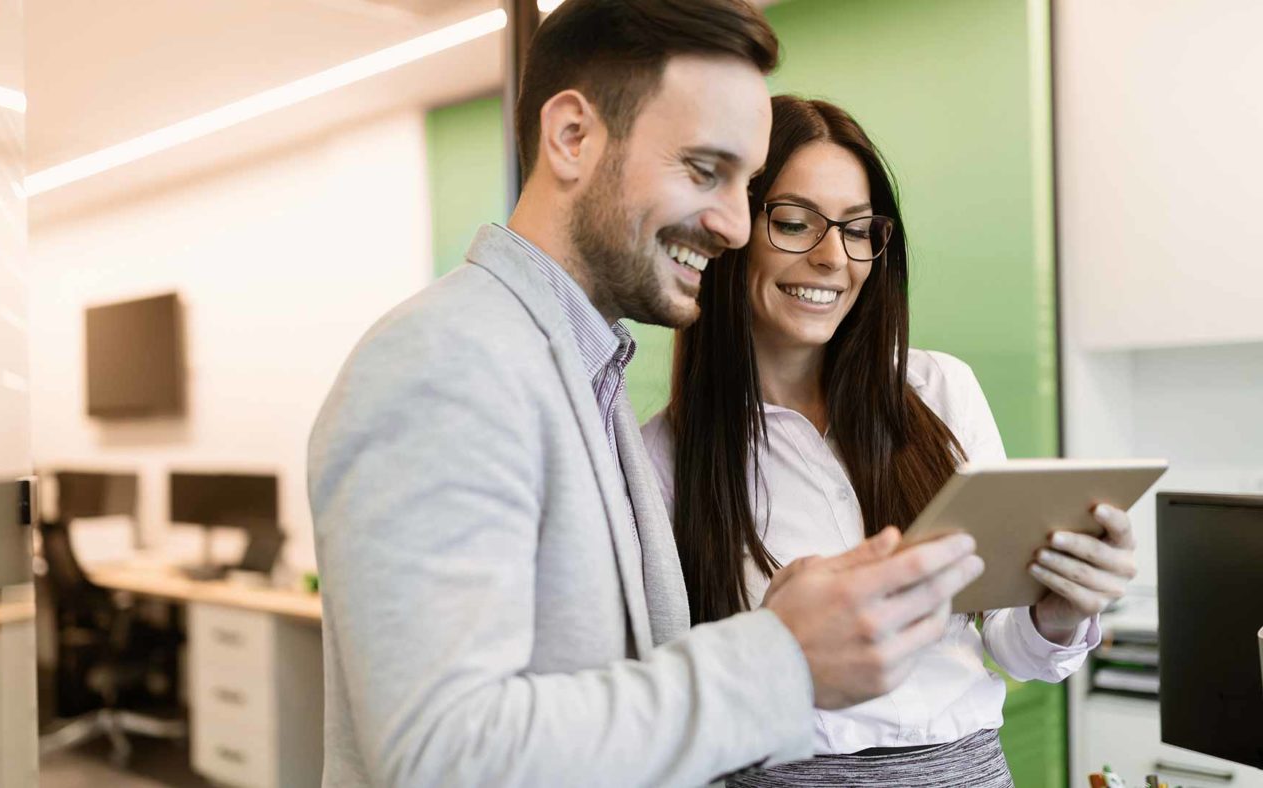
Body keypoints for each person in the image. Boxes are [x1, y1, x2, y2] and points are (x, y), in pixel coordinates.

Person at [307, 4, 984, 785]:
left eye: (745, 183)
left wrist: (778, 633)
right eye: (705, 170)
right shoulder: (445, 362)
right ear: (572, 137)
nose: (735, 226)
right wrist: (779, 658)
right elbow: (444, 756)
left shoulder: (582, 376)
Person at [642, 96, 1138, 786]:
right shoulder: (661, 460)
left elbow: (1013, 650)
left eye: (857, 230)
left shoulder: (939, 392)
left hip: (969, 769)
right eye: (792, 222)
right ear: (731, 229)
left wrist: (1058, 613)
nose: (830, 258)